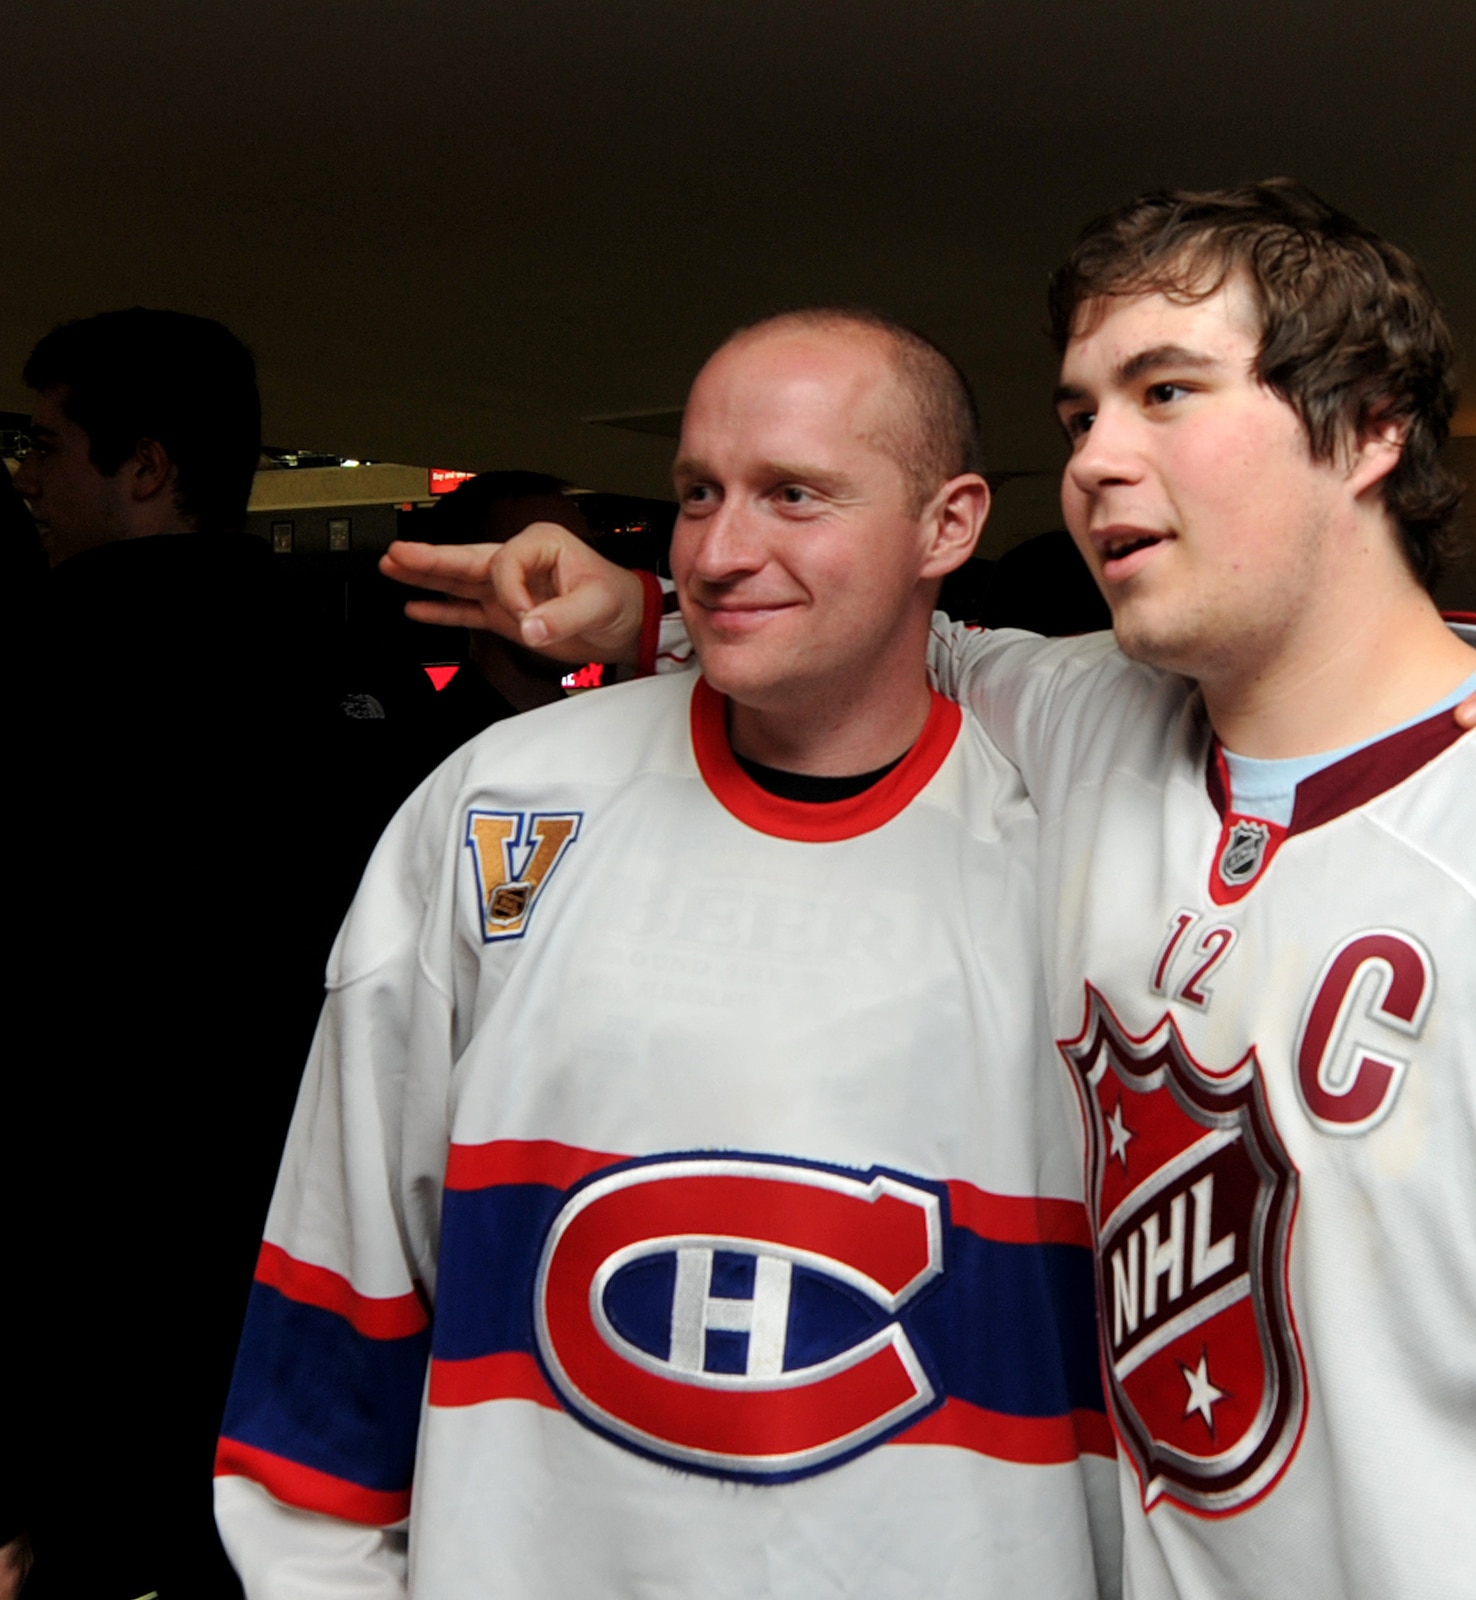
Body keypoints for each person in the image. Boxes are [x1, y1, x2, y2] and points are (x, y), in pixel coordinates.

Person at [432, 183, 1476, 1596]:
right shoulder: (1098, 728)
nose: (1099, 459)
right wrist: (646, 608)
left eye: (1169, 394)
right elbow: (913, 646)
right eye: (1085, 408)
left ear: (1371, 424)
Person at [213, 309, 1120, 1599]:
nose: (720, 550)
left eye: (793, 494)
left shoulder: (1085, 842)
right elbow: (342, 1272)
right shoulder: (499, 805)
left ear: (949, 525)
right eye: (698, 493)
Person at [5, 308, 414, 1599]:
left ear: (147, 468)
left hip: (91, 1265)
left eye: (49, 445)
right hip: (308, 1255)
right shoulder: (363, 672)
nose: (28, 476)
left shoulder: (45, 667)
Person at [413, 471, 597, 755]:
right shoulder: (431, 757)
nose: (577, 584)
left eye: (588, 556)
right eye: (542, 564)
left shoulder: (598, 741)